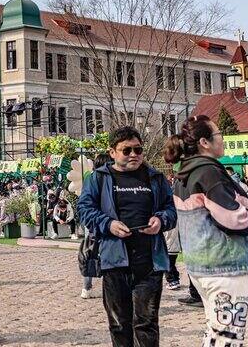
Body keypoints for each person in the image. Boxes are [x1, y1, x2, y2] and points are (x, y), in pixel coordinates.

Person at [163, 115, 248, 346]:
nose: (223, 139)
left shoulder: (185, 173)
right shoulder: (208, 172)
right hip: (225, 265)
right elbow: (232, 218)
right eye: (219, 134)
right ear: (205, 142)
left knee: (216, 330)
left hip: (201, 264)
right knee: (228, 335)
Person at [77, 126, 177, 347]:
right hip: (115, 260)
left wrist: (160, 220)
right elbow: (84, 210)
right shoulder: (99, 178)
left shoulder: (156, 178)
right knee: (119, 324)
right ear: (112, 152)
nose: (134, 154)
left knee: (147, 324)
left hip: (149, 261)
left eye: (138, 150)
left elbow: (171, 210)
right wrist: (108, 224)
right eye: (127, 150)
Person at [79, 152, 112, 300]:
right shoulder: (107, 179)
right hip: (104, 220)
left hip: (93, 222)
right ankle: (107, 287)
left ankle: (87, 287)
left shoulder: (90, 179)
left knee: (90, 253)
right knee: (103, 254)